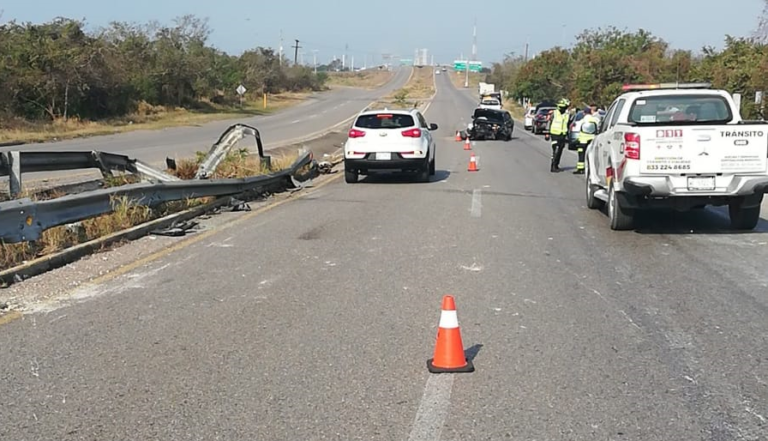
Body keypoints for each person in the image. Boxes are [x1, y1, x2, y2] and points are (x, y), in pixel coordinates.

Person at [573, 104, 600, 175]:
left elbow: (577, 129)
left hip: (583, 141)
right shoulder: (595, 120)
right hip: (592, 140)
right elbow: (599, 128)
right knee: (592, 156)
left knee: (581, 155)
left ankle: (580, 169)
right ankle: (592, 170)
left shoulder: (582, 121)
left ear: (584, 113)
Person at [548, 98, 571, 172]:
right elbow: (549, 123)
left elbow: (568, 125)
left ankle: (556, 164)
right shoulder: (554, 113)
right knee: (556, 149)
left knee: (560, 150)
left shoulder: (567, 114)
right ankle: (553, 166)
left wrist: (568, 135)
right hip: (555, 134)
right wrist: (547, 133)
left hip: (563, 135)